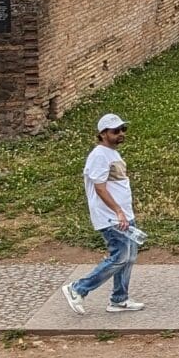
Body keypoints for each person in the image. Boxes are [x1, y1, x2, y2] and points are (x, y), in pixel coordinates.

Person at [60, 114, 143, 315]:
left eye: (123, 129)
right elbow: (100, 188)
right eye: (116, 131)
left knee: (129, 257)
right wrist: (117, 211)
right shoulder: (99, 155)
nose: (121, 134)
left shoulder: (112, 154)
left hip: (122, 215)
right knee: (120, 257)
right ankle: (78, 289)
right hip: (111, 217)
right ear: (103, 133)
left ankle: (119, 299)